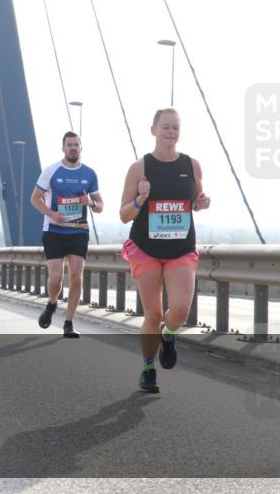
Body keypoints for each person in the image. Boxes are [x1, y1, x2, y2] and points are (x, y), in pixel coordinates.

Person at [120, 108, 210, 393]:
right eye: (165, 127)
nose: (170, 132)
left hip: (180, 248)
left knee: (180, 310)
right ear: (153, 130)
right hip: (146, 248)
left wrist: (202, 203)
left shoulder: (192, 165)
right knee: (153, 313)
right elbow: (123, 215)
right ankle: (148, 368)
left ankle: (168, 334)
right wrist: (141, 199)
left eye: (175, 127)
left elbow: (195, 201)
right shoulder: (139, 168)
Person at [31, 132, 104, 338]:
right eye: (69, 145)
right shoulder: (51, 171)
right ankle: (52, 303)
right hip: (54, 231)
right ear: (63, 148)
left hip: (78, 232)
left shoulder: (89, 174)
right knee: (56, 278)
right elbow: (35, 199)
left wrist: (89, 202)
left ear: (81, 148)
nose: (73, 148)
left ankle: (69, 323)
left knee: (76, 277)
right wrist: (52, 214)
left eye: (76, 145)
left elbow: (100, 206)